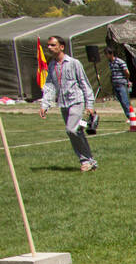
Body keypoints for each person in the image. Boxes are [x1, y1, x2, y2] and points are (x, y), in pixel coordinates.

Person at [38, 35, 97, 171]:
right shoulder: (52, 65)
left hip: (76, 100)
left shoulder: (74, 63)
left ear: (61, 47)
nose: (49, 48)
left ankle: (85, 160)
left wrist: (89, 104)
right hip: (63, 104)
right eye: (48, 45)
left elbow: (84, 83)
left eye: (53, 45)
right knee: (76, 132)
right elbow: (50, 86)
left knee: (71, 130)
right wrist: (45, 105)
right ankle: (89, 160)